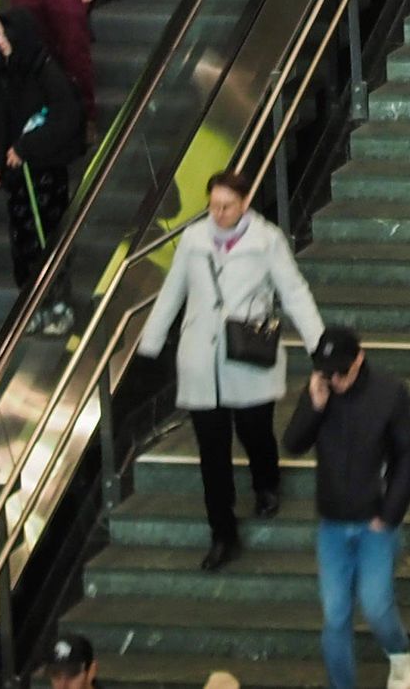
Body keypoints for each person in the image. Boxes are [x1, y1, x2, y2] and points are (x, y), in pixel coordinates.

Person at [136, 169, 324, 569]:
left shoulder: (267, 240)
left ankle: (266, 482)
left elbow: (294, 292)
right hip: (201, 357)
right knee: (212, 451)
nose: (218, 213)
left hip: (248, 352)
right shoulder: (194, 240)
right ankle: (222, 532)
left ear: (243, 203)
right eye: (213, 205)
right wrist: (151, 339)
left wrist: (318, 344)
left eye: (226, 205)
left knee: (255, 430)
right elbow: (174, 290)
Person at [284, 328, 410, 689]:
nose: (335, 380)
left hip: (374, 521)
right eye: (327, 372)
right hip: (332, 522)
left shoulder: (389, 393)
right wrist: (313, 406)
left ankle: (398, 652)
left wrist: (390, 514)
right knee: (335, 616)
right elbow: (293, 443)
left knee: (376, 606)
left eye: (341, 372)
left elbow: (408, 455)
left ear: (359, 359)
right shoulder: (321, 390)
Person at [0, 5, 86, 305]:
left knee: (46, 239)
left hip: (44, 170)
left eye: (5, 36)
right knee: (23, 242)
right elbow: (0, 123)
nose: (0, 42)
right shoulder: (7, 75)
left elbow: (65, 118)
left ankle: (55, 300)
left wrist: (25, 147)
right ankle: (31, 302)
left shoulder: (46, 72)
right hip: (20, 175)